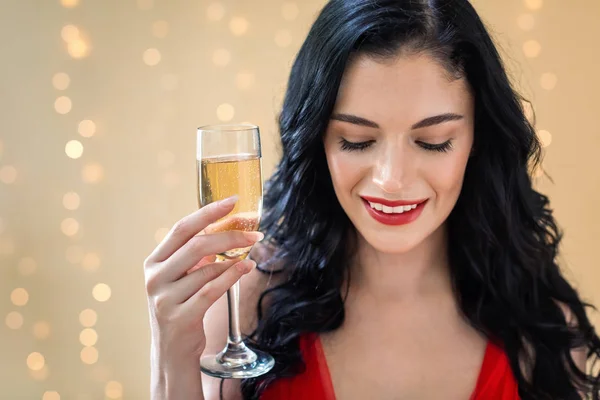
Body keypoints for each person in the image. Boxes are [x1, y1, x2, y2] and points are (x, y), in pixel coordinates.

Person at [143, 0, 600, 399]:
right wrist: (170, 354)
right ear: (317, 139)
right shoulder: (246, 306)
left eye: (434, 141)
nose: (392, 180)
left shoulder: (543, 330)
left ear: (478, 138)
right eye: (357, 140)